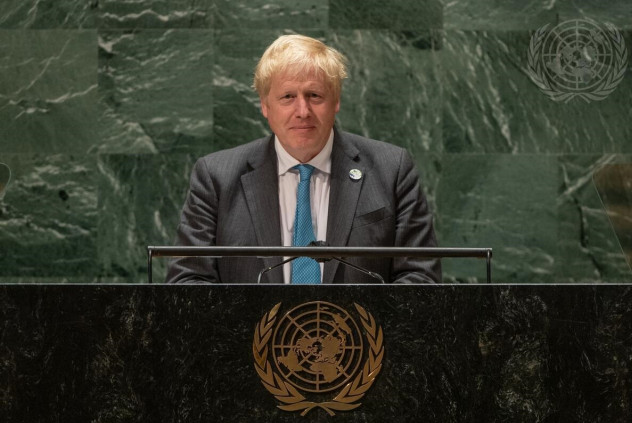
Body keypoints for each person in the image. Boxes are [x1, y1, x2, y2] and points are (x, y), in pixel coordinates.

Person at [166, 34, 441, 284]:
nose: (303, 111)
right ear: (265, 105)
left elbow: (420, 277)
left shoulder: (392, 169)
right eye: (287, 97)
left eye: (314, 95)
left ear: (336, 101)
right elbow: (188, 282)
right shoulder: (216, 177)